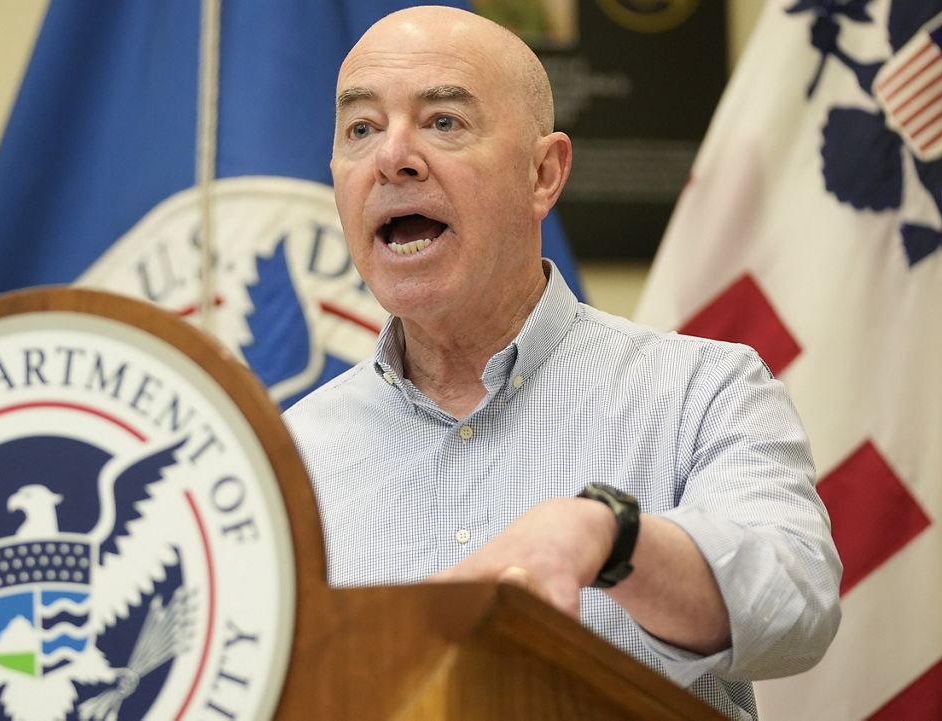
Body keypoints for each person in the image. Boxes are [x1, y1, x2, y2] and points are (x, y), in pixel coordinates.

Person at [282, 6, 841, 719]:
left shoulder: (705, 389)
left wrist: (611, 533)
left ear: (543, 173)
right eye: (361, 128)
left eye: (444, 122)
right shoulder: (288, 459)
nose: (393, 156)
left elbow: (795, 604)